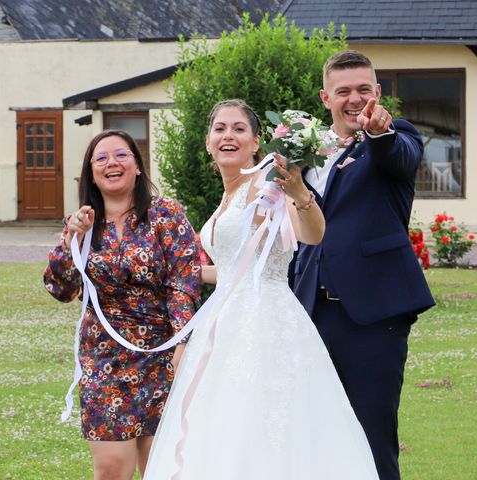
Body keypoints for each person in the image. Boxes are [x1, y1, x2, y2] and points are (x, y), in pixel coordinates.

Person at [144, 99, 379, 479]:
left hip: (267, 321)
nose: (228, 136)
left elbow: (313, 234)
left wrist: (301, 194)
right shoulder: (225, 197)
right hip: (222, 326)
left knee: (265, 421)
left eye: (239, 129)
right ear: (208, 142)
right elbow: (235, 269)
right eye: (220, 129)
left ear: (256, 142)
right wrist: (180, 274)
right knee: (222, 423)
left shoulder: (268, 181)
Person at [292, 50, 436, 479]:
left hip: (372, 314)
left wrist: (380, 134)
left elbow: (402, 156)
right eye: (343, 91)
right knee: (312, 434)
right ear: (325, 97)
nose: (354, 100)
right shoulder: (303, 150)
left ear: (376, 93)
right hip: (307, 313)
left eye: (362, 90)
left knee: (371, 436)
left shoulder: (395, 136)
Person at [43, 130, 201, 480]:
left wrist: (182, 341)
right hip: (103, 359)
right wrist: (73, 238)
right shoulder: (82, 222)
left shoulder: (166, 214)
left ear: (138, 167)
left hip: (161, 354)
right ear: (91, 172)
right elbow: (59, 288)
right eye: (101, 158)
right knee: (111, 467)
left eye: (121, 155)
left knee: (160, 465)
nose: (111, 163)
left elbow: (183, 281)